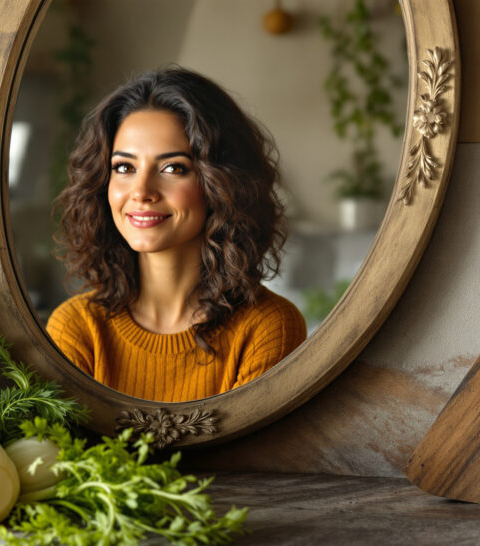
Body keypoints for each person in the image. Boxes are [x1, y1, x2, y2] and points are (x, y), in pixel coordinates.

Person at [46, 67, 306, 402]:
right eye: (124, 167)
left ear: (222, 185)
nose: (141, 191)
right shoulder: (77, 328)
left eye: (173, 168)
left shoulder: (268, 329)